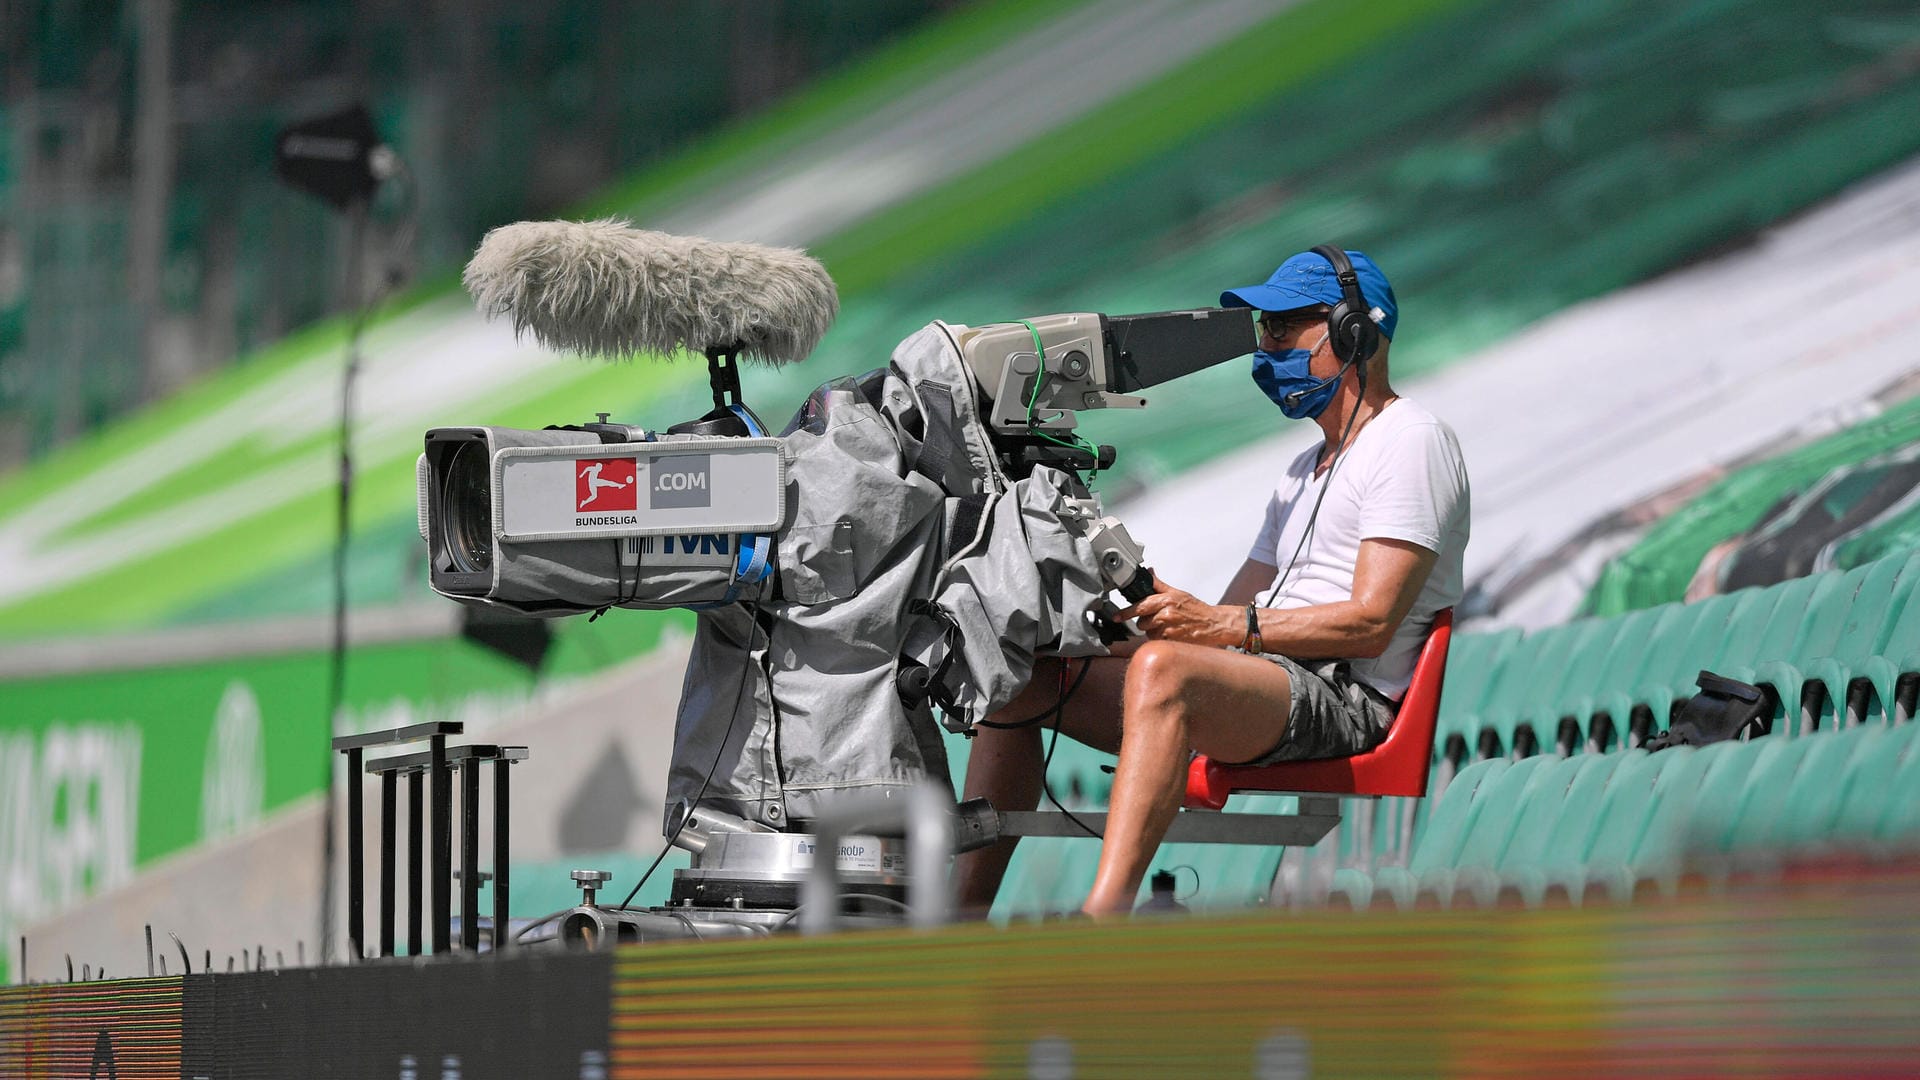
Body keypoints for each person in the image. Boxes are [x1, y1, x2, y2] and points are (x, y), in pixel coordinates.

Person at [953, 246, 1470, 917]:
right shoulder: (1302, 471)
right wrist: (1130, 621)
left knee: (1166, 672)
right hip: (1271, 677)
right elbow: (1226, 615)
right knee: (1019, 674)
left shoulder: (1412, 440)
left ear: (1352, 331)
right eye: (1264, 330)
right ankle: (955, 919)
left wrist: (1217, 629)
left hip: (1348, 701)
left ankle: (1102, 915)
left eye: (1283, 328)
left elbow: (1370, 622)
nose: (1265, 347)